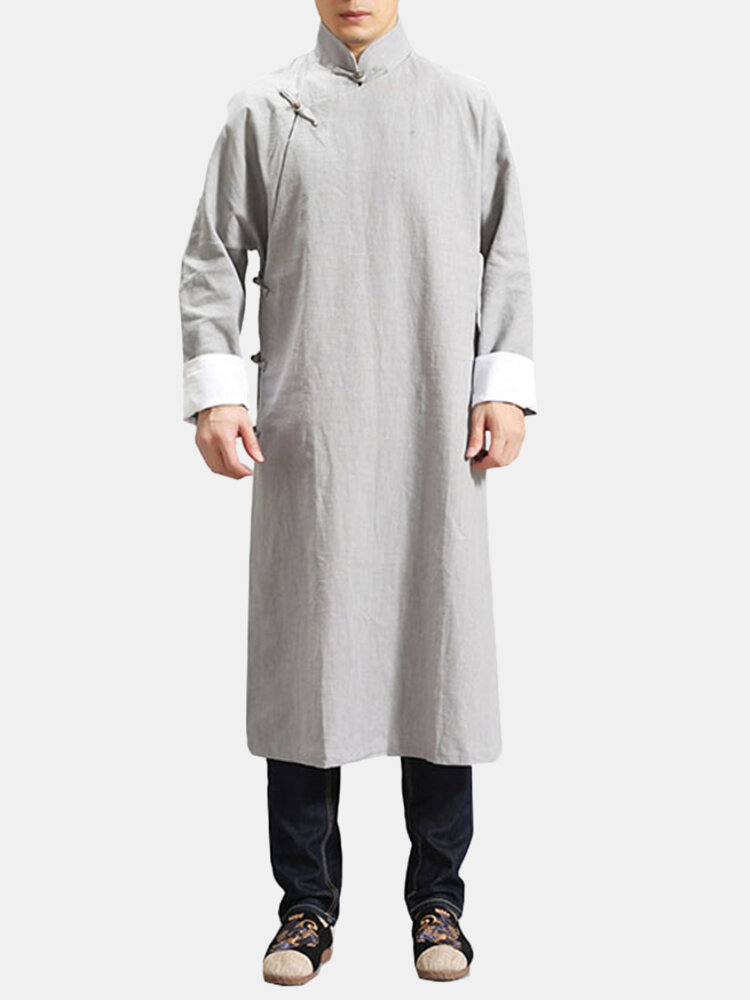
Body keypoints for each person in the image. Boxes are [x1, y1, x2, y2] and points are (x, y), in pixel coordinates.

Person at [179, 0, 536, 985]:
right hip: (313, 428)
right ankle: (305, 907)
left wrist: (503, 385)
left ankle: (439, 901)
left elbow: (505, 252)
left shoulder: (464, 109)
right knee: (309, 657)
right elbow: (212, 257)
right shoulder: (267, 109)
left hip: (433, 425)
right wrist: (217, 393)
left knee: (438, 648)